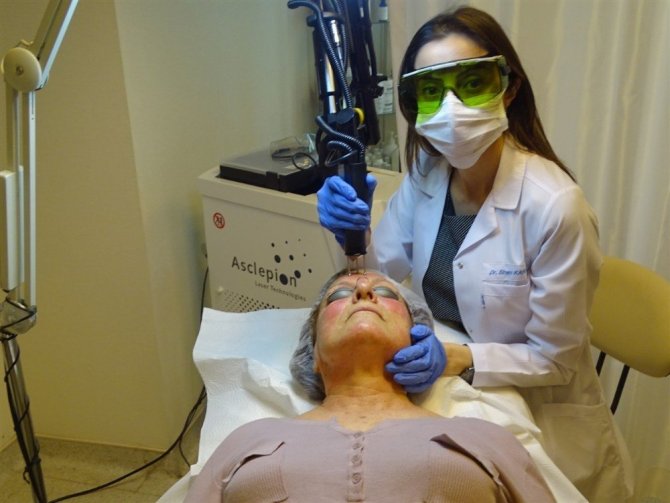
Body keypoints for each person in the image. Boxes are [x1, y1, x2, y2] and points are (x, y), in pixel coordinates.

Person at [316, 6, 632, 501]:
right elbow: (382, 277)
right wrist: (350, 234)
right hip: (450, 394)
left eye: (471, 83)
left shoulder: (555, 207)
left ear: (509, 86)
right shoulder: (428, 174)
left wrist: (456, 358)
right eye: (431, 90)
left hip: (537, 413)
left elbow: (556, 359)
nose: (451, 108)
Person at [185, 270, 555, 502]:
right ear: (312, 353)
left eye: (387, 294)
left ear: (417, 338)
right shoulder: (248, 440)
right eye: (338, 296)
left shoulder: (485, 439)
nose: (363, 290)